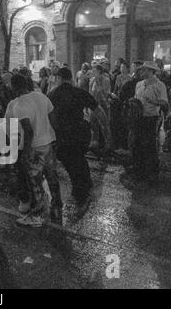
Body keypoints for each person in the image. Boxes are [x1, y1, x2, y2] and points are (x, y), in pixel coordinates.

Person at [49, 68, 111, 211]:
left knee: (72, 163)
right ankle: (84, 187)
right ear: (70, 78)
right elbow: (99, 112)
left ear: (59, 78)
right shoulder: (80, 92)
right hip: (80, 133)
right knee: (78, 160)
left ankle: (80, 193)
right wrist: (107, 132)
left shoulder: (52, 94)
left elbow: (48, 117)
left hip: (62, 136)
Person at [8, 74, 62, 226]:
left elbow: (28, 131)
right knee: (52, 178)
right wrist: (54, 138)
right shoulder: (42, 97)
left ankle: (37, 216)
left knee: (35, 182)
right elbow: (54, 120)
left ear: (14, 87)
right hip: (49, 144)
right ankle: (57, 205)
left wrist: (25, 153)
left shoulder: (19, 105)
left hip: (35, 148)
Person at [132, 61, 169, 182]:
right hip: (138, 118)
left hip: (150, 118)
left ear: (149, 71)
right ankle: (139, 171)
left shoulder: (160, 85)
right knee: (137, 144)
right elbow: (136, 98)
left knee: (149, 145)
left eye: (143, 70)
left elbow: (164, 102)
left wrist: (153, 101)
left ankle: (152, 173)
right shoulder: (139, 84)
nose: (141, 72)